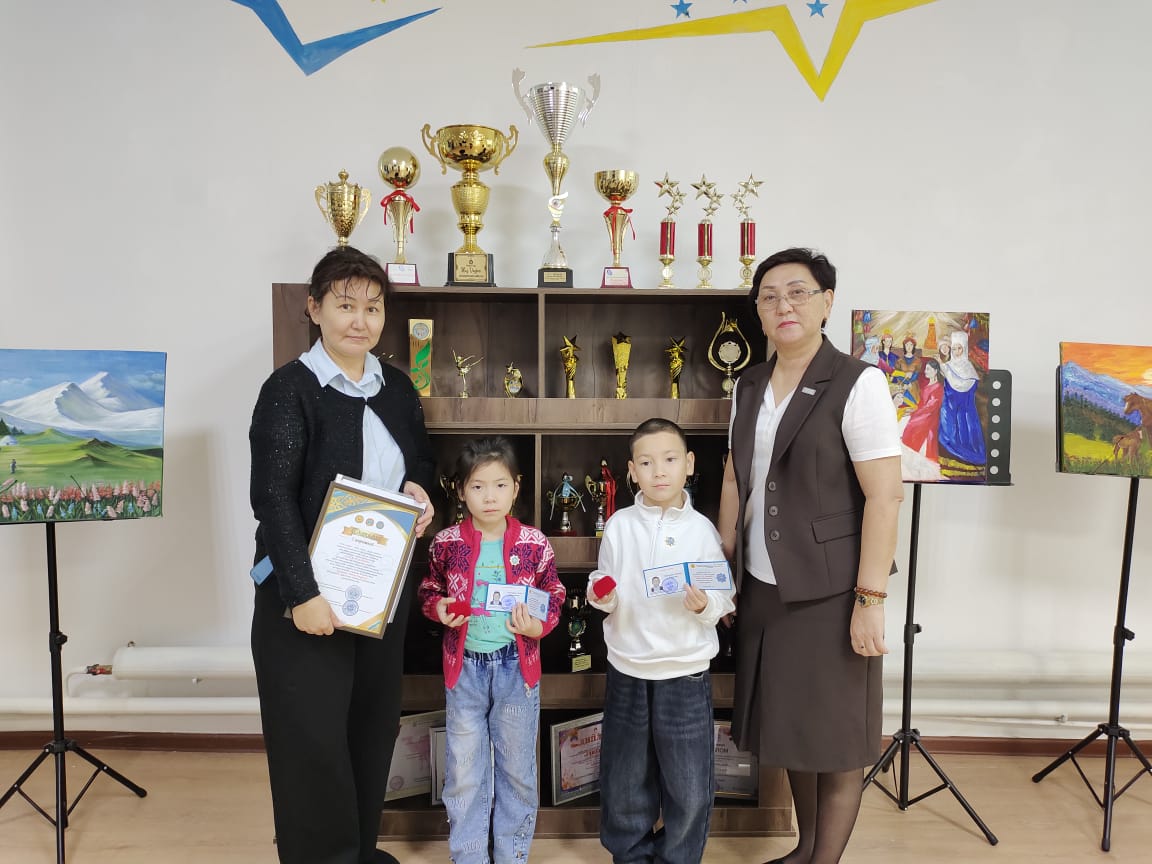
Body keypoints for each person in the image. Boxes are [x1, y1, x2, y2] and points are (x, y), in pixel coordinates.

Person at [249, 245, 436, 864]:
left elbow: (420, 461)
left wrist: (421, 492)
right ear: (315, 309)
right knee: (312, 744)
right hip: (305, 599)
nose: (360, 320)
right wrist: (303, 595)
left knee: (369, 732)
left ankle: (356, 852)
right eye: (345, 305)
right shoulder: (289, 390)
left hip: (378, 594)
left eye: (373, 308)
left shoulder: (397, 388)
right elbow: (273, 501)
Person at [718, 248, 903, 864]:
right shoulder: (748, 384)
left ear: (827, 302)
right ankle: (804, 849)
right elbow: (735, 478)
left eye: (798, 292)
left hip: (832, 589)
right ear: (759, 313)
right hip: (764, 584)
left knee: (838, 738)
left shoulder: (858, 382)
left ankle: (825, 861)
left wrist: (869, 601)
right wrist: (722, 568)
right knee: (794, 727)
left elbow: (884, 496)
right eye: (769, 297)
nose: (783, 306)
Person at [588, 417, 736, 864]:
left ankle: (679, 857)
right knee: (624, 780)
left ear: (688, 464)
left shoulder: (703, 531)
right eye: (647, 463)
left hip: (685, 672)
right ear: (631, 471)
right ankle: (630, 856)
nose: (659, 472)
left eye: (669, 460)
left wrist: (703, 605)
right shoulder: (619, 526)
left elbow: (723, 595)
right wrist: (603, 596)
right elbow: (604, 582)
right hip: (628, 669)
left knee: (688, 784)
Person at [418, 436, 565, 864]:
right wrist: (438, 608)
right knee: (464, 771)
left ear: (516, 488)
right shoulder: (446, 542)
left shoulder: (534, 543)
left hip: (516, 668)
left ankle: (512, 855)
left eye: (500, 485)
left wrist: (538, 625)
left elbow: (553, 593)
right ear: (460, 490)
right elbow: (430, 589)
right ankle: (468, 856)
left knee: (517, 770)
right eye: (478, 486)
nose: (489, 497)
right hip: (464, 668)